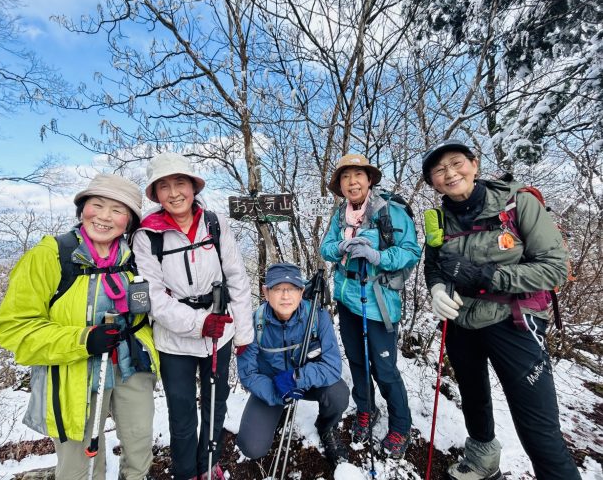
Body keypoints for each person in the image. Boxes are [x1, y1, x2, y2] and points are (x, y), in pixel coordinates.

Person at [421, 139, 581, 480]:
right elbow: (433, 265)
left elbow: (555, 269)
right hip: (461, 320)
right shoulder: (438, 219)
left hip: (514, 320)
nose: (450, 173)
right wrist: (436, 288)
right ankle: (482, 459)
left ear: (474, 164)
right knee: (473, 395)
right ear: (433, 182)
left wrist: (487, 276)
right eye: (439, 170)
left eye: (456, 163)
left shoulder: (517, 203)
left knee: (537, 425)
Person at [0, 173, 159, 480]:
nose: (104, 217)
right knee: (79, 468)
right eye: (96, 205)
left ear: (129, 221)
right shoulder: (51, 256)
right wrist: (83, 340)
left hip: (132, 367)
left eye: (117, 210)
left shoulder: (136, 259)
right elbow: (14, 328)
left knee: (139, 450)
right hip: (73, 377)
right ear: (82, 208)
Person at [132, 151, 253, 480]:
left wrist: (243, 335)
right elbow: (153, 296)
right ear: (155, 194)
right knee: (182, 412)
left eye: (180, 183)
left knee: (216, 403)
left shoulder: (214, 223)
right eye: (164, 186)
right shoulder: (147, 236)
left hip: (222, 329)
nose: (174, 193)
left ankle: (208, 464)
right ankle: (185, 472)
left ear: (193, 186)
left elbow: (237, 277)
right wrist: (199, 324)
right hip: (174, 340)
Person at [320, 154, 421, 459]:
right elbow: (325, 248)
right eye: (345, 177)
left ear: (369, 179)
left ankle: (401, 425)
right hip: (348, 300)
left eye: (358, 175)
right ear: (340, 185)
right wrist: (340, 247)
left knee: (385, 369)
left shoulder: (389, 211)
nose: (352, 182)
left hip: (379, 303)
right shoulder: (340, 215)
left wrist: (378, 256)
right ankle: (366, 410)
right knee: (357, 361)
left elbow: (411, 251)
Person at [236, 263, 350, 466]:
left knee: (338, 394)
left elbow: (332, 366)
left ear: (301, 291)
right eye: (278, 289)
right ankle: (278, 413)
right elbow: (247, 373)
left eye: (292, 289)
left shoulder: (318, 317)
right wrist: (275, 392)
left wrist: (297, 378)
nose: (285, 296)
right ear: (265, 292)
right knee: (251, 447)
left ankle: (326, 428)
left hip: (305, 384)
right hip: (273, 387)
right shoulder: (254, 323)